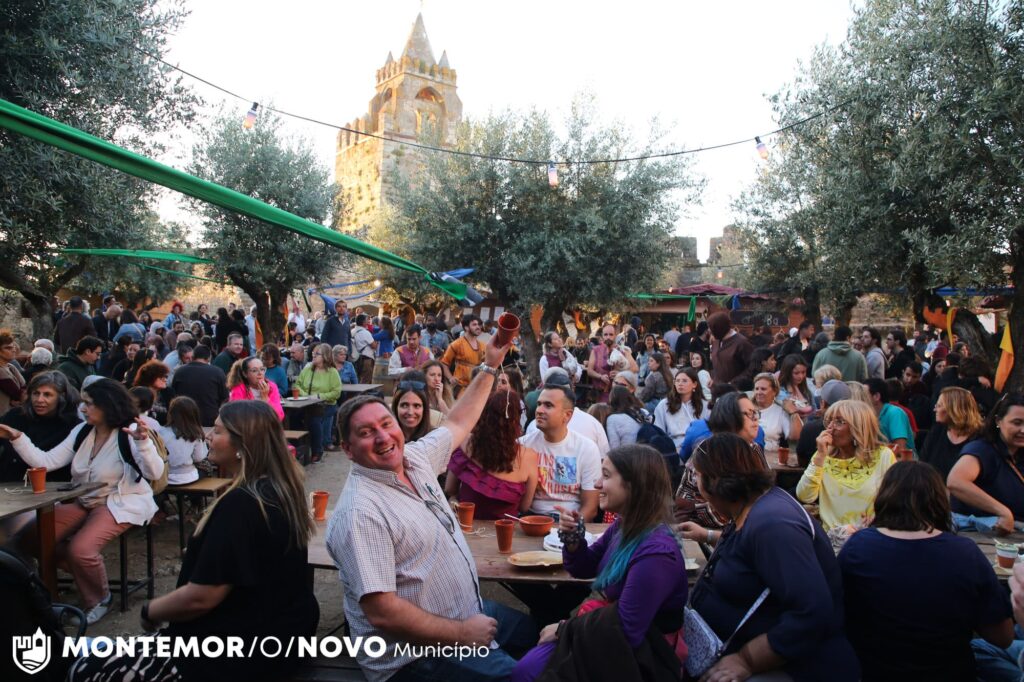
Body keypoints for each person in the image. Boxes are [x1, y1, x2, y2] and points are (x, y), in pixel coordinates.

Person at [326, 337, 537, 681]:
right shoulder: (360, 513)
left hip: (465, 611)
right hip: (415, 656)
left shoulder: (415, 457)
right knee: (524, 677)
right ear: (348, 450)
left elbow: (459, 423)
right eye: (366, 432)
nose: (383, 437)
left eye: (386, 424)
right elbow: (383, 613)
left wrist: (488, 366)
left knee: (541, 635)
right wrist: (463, 634)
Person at [69, 400, 319, 682]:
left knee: (83, 670)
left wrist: (151, 610)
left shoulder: (242, 503)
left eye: (219, 431)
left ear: (243, 444)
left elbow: (201, 597)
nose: (208, 436)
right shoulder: (280, 491)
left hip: (231, 651)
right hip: (278, 638)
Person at [680, 433, 860, 681]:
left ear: (715, 481)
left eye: (697, 476)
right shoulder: (753, 507)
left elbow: (812, 612)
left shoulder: (773, 525)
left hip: (799, 669)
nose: (696, 485)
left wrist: (746, 659)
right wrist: (709, 535)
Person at [512, 445, 688, 681]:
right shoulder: (624, 526)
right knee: (527, 669)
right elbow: (583, 567)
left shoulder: (657, 555)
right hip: (610, 636)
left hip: (642, 656)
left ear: (634, 485)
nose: (596, 484)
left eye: (605, 475)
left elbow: (627, 630)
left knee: (531, 672)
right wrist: (573, 538)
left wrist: (565, 629)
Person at [0, 378, 163, 624]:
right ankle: (79, 573)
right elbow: (47, 461)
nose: (83, 408)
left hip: (120, 502)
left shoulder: (130, 432)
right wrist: (17, 437)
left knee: (81, 549)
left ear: (107, 405)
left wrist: (143, 443)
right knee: (30, 539)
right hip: (84, 500)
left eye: (89, 403)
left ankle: (99, 599)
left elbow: (155, 473)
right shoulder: (83, 431)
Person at [837, 461, 1012, 681]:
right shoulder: (965, 553)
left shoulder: (858, 547)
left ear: (884, 497)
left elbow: (837, 615)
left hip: (873, 672)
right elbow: (1003, 637)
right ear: (939, 501)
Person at [796, 400, 896, 530]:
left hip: (869, 534)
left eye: (839, 422)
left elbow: (895, 500)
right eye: (828, 421)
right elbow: (805, 496)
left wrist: (878, 518)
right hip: (832, 537)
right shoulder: (823, 454)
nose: (830, 428)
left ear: (858, 427)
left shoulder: (883, 456)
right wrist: (820, 456)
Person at [445, 390, 539, 518]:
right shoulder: (528, 457)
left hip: (468, 523)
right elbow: (524, 506)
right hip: (505, 528)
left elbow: (450, 488)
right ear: (516, 420)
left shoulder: (466, 443)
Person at [520, 383, 602, 521]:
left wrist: (571, 526)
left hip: (569, 520)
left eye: (548, 405)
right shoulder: (523, 444)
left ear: (567, 415)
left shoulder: (586, 448)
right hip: (529, 519)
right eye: (539, 404)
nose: (539, 410)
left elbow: (591, 507)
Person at [947, 393, 1024, 533]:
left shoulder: (1019, 453)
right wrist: (1003, 512)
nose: (1023, 430)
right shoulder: (982, 449)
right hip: (983, 535)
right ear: (998, 421)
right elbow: (955, 482)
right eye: (1016, 423)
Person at [0, 372, 78, 482]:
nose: (39, 400)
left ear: (61, 396)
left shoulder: (73, 426)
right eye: (36, 393)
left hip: (50, 486)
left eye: (47, 395)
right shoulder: (15, 416)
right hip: (8, 483)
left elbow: (48, 463)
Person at [918, 386, 982, 480]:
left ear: (954, 409)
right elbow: (922, 464)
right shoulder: (937, 431)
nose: (935, 410)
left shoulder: (979, 438)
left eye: (939, 406)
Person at [295, 343, 342, 462]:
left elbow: (336, 392)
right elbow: (297, 385)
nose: (314, 356)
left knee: (314, 420)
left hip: (326, 405)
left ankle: (317, 451)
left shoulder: (332, 372)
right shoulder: (308, 370)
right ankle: (296, 449)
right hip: (306, 403)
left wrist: (319, 396)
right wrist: (306, 396)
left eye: (317, 354)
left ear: (325, 356)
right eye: (313, 353)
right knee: (293, 418)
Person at [795, 379, 852, 468]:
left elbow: (801, 461)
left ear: (822, 403)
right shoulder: (854, 428)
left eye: (839, 422)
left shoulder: (810, 428)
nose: (831, 427)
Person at [170, 345, 228, 427]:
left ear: (193, 357)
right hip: (208, 420)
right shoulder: (217, 372)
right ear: (209, 358)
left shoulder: (179, 371)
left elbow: (174, 394)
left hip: (185, 420)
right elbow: (225, 397)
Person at [158, 396, 208, 485]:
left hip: (165, 477)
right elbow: (199, 458)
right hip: (187, 477)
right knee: (207, 468)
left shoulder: (161, 431)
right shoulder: (195, 434)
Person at [653, 367, 707, 449]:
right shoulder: (664, 404)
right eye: (677, 381)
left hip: (699, 445)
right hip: (674, 446)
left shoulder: (704, 404)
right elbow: (659, 430)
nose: (680, 384)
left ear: (694, 384)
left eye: (684, 381)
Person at [752, 372, 803, 453]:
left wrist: (793, 412)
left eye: (763, 389)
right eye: (756, 389)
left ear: (774, 392)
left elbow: (796, 436)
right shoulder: (746, 407)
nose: (759, 392)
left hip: (769, 455)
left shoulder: (780, 411)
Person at [865, 377, 916, 455]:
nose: (859, 398)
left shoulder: (895, 413)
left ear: (876, 396)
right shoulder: (869, 415)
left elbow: (900, 448)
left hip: (902, 460)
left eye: (863, 395)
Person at [441, 314, 487, 397]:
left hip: (476, 387)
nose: (478, 327)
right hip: (460, 387)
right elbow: (444, 363)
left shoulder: (483, 346)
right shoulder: (456, 344)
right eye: (474, 325)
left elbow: (486, 365)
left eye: (478, 324)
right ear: (466, 327)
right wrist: (450, 378)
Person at [227, 356, 284, 421]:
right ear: (245, 374)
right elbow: (236, 416)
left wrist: (265, 398)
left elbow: (279, 416)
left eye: (262, 369)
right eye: (254, 370)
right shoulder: (239, 389)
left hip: (268, 426)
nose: (260, 373)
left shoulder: (271, 387)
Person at [708, 311, 753, 385]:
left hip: (735, 389)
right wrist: (714, 378)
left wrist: (734, 382)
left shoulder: (742, 343)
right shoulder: (716, 341)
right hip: (717, 388)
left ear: (719, 328)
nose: (709, 331)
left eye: (711, 328)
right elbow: (718, 364)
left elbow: (752, 368)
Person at [391, 374, 437, 444]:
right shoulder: (387, 438)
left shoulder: (434, 437)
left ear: (424, 409)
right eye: (404, 405)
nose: (410, 412)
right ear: (396, 407)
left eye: (416, 406)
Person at [777, 354, 815, 418]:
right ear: (787, 373)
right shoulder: (780, 392)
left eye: (803, 372)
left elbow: (814, 410)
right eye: (796, 373)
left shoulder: (807, 390)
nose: (801, 376)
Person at [0, 329, 26, 414]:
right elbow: (18, 394)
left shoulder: (11, 367)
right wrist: (19, 397)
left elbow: (24, 387)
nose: (13, 350)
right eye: (8, 348)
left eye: (13, 347)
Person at [351, 314, 378, 384]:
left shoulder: (352, 331)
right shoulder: (365, 333)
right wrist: (377, 342)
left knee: (357, 379)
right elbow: (374, 346)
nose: (368, 322)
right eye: (367, 320)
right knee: (366, 381)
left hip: (355, 359)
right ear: (363, 322)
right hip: (366, 359)